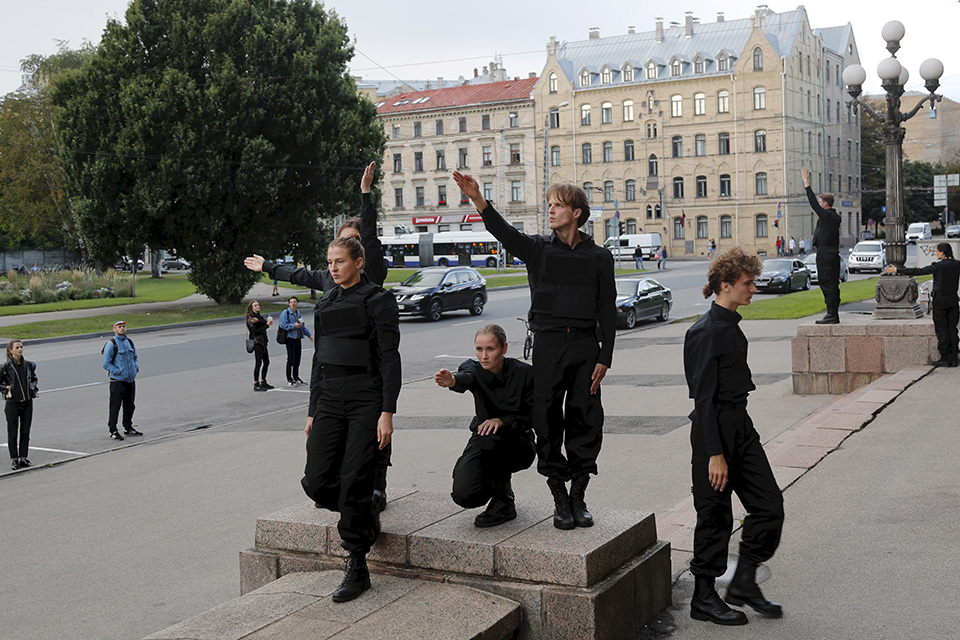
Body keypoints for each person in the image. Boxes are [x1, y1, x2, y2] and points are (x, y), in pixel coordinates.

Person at [453, 170, 616, 531]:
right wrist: (479, 199)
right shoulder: (538, 250)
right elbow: (503, 232)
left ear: (577, 212)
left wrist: (605, 356)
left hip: (586, 346)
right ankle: (558, 495)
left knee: (585, 419)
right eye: (549, 205)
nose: (551, 211)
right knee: (546, 421)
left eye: (558, 205)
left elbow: (607, 310)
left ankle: (578, 496)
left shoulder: (600, 257)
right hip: (548, 345)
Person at [244, 161, 394, 512]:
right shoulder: (329, 279)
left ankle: (377, 485)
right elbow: (298, 274)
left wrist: (365, 196)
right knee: (339, 443)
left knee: (375, 435)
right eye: (341, 242)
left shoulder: (372, 271)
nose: (344, 250)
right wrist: (267, 266)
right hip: (334, 375)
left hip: (368, 371)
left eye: (351, 243)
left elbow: (370, 237)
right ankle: (341, 487)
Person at [683, 247, 784, 626]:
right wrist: (715, 454)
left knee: (769, 506)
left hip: (741, 426)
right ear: (725, 286)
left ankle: (743, 582)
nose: (753, 289)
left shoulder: (731, 326)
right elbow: (704, 399)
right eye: (747, 283)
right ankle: (704, 598)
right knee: (714, 516)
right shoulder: (704, 333)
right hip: (714, 433)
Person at [302, 236, 400, 603]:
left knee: (355, 478)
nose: (332, 268)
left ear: (358, 262)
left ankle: (357, 566)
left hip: (365, 400)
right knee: (316, 481)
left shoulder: (379, 300)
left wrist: (386, 412)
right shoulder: (325, 302)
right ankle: (364, 508)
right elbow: (317, 361)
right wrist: (313, 410)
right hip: (329, 399)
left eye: (339, 261)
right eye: (329, 262)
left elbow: (390, 359)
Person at [434, 324, 536, 527]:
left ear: (504, 348)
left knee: (492, 433)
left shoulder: (525, 373)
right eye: (479, 349)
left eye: (491, 349)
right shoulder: (474, 369)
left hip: (519, 444)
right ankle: (496, 488)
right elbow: (465, 378)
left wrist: (502, 421)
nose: (484, 356)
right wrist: (452, 380)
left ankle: (503, 501)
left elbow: (534, 417)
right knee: (464, 494)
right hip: (484, 439)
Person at [885, 242, 960, 367]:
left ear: (942, 252)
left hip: (940, 301)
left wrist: (898, 270)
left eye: (937, 251)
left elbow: (919, 271)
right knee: (952, 328)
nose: (936, 254)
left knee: (941, 329)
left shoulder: (938, 266)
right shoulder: (956, 264)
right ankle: (954, 357)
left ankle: (945, 357)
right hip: (952, 300)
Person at [802, 166, 842, 324]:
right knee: (833, 284)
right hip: (833, 255)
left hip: (825, 255)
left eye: (821, 202)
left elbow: (813, 204)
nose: (819, 204)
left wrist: (806, 182)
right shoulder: (835, 217)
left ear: (825, 204)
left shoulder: (826, 216)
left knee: (826, 284)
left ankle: (831, 314)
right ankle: (834, 314)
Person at [1, 340, 38, 470]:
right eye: (17, 347)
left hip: (27, 402)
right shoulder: (6, 367)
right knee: (13, 433)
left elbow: (33, 378)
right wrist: (6, 388)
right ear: (11, 350)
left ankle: (23, 458)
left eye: (21, 347)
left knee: (25, 431)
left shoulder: (28, 365)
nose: (20, 349)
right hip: (13, 404)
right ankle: (14, 460)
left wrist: (32, 387)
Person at [102, 320, 142, 440]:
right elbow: (106, 364)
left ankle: (128, 427)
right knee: (115, 406)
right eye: (119, 327)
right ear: (114, 329)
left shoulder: (129, 342)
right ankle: (113, 430)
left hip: (130, 380)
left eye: (124, 326)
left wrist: (136, 368)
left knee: (129, 405)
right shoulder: (111, 344)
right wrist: (118, 371)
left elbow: (134, 357)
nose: (122, 329)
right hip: (118, 381)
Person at [280, 296, 314, 386]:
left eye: (295, 302)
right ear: (289, 304)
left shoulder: (298, 313)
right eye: (291, 302)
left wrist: (309, 335)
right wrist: (294, 325)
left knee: (297, 359)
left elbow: (303, 327)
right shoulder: (286, 313)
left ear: (297, 303)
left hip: (298, 338)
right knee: (290, 359)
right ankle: (289, 379)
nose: (293, 303)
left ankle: (296, 377)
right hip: (290, 338)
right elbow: (283, 325)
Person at [246, 301, 274, 391]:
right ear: (251, 308)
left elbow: (263, 322)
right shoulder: (251, 318)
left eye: (258, 305)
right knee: (258, 363)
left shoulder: (258, 317)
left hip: (263, 342)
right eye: (255, 305)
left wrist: (263, 322)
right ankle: (256, 384)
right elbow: (255, 332)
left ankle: (263, 381)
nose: (257, 306)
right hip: (257, 342)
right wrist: (267, 325)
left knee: (266, 362)